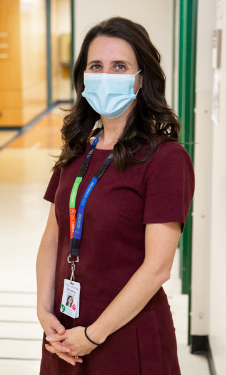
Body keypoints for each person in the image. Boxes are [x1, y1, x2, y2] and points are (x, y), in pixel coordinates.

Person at [36, 17, 194, 374]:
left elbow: (157, 269)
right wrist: (44, 311)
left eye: (119, 66)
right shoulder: (78, 149)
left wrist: (93, 335)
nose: (106, 75)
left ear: (141, 79)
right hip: (65, 330)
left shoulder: (166, 159)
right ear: (83, 76)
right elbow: (53, 235)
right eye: (96, 66)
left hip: (125, 333)